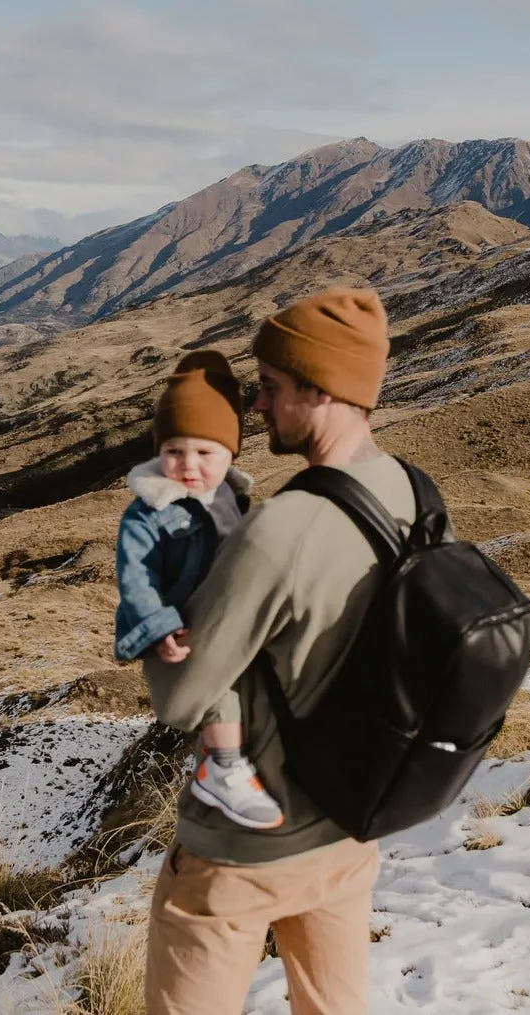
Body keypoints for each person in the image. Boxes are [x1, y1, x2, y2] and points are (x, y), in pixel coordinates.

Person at [143, 287, 411, 1015]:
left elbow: (179, 696)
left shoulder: (282, 528)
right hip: (347, 831)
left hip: (243, 851)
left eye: (270, 387)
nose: (256, 407)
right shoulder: (408, 492)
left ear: (320, 391)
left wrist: (160, 590)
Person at [114, 349, 285, 830]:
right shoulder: (148, 513)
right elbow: (136, 578)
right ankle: (222, 769)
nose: (188, 465)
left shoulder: (231, 496)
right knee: (220, 690)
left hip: (229, 614)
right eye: (173, 452)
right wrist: (157, 627)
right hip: (179, 629)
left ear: (230, 452)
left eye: (205, 452)